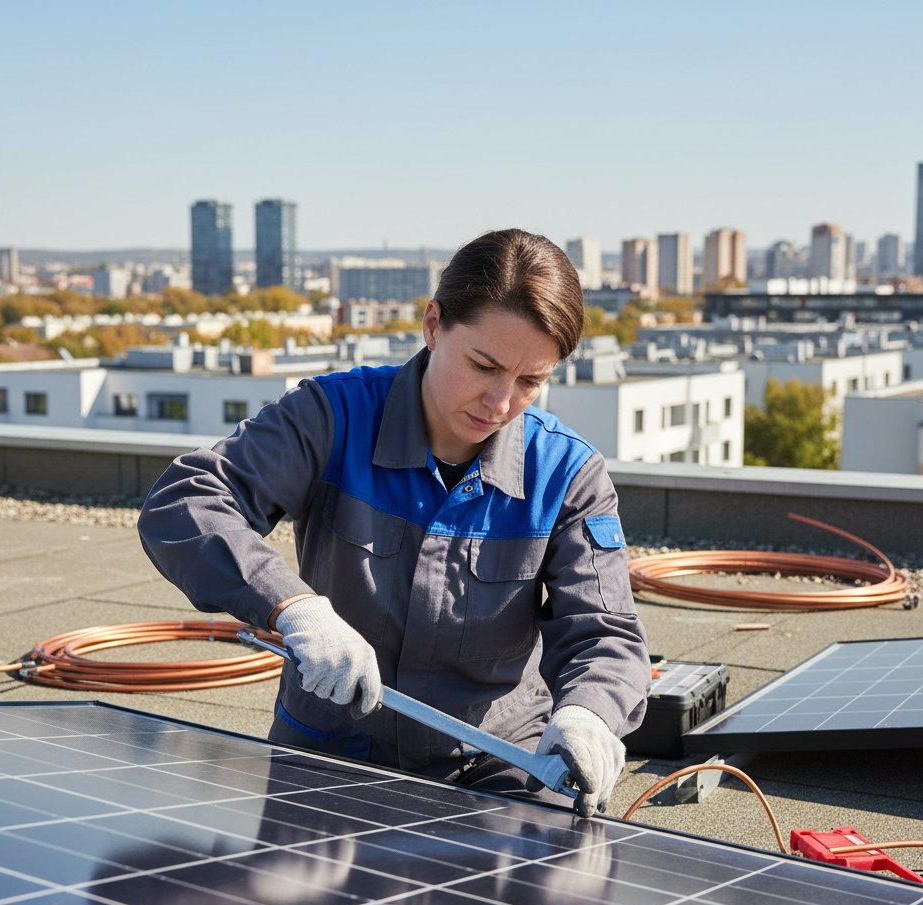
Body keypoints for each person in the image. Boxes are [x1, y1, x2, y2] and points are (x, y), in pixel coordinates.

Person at [137, 228, 649, 816]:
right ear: (433, 325)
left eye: (531, 381)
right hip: (329, 751)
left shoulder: (569, 475)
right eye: (483, 366)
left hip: (497, 764)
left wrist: (589, 713)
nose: (501, 403)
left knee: (546, 874)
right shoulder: (331, 417)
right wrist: (292, 607)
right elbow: (186, 500)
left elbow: (605, 633)